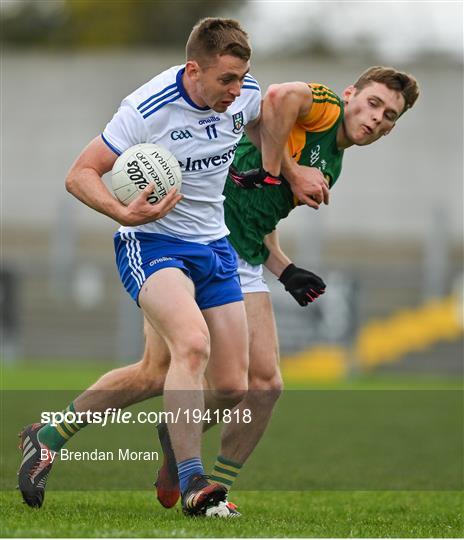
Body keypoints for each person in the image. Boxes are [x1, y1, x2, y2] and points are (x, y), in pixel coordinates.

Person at [18, 64, 419, 516]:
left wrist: (284, 268)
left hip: (237, 255)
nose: (377, 118)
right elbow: (279, 97)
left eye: (389, 116)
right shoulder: (323, 110)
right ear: (351, 94)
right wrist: (283, 170)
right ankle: (170, 468)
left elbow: (256, 218)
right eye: (372, 104)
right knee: (184, 370)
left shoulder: (335, 161)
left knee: (254, 385)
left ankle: (182, 459)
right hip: (197, 243)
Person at [17, 17, 298, 518]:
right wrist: (124, 212)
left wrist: (287, 172)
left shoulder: (245, 94)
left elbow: (268, 115)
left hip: (214, 246)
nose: (238, 90)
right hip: (151, 243)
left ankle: (50, 434)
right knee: (192, 345)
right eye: (226, 80)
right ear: (194, 69)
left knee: (227, 384)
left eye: (242, 77)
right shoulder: (146, 109)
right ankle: (193, 481)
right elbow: (80, 173)